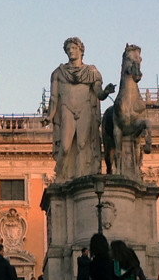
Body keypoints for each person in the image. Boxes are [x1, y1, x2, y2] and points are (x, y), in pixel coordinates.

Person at [44, 36, 116, 181]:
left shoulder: (91, 72)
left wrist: (106, 92)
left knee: (83, 144)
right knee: (65, 146)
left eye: (74, 48)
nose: (71, 51)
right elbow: (53, 98)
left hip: (85, 109)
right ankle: (61, 177)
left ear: (81, 50)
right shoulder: (58, 73)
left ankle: (82, 178)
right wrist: (49, 115)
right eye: (68, 49)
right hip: (66, 109)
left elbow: (98, 93)